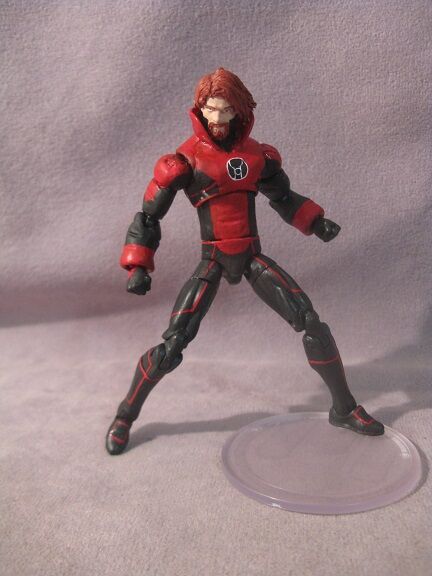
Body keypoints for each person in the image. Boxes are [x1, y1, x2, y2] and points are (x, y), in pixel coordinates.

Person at [106, 68, 384, 455]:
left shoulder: (257, 156)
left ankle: (344, 408)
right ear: (199, 109)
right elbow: (148, 217)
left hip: (252, 256)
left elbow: (283, 198)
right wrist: (138, 265)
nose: (217, 119)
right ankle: (125, 415)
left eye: (225, 110)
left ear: (240, 110)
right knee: (171, 346)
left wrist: (315, 222)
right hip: (213, 260)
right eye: (210, 110)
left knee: (312, 324)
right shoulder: (184, 162)